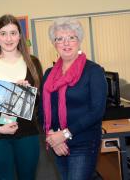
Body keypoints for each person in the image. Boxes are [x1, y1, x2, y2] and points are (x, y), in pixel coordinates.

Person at [0, 14, 43, 180]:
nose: (9, 38)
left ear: (20, 35)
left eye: (13, 33)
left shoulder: (33, 63)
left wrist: (26, 94)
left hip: (27, 133)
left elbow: (40, 101)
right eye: (3, 33)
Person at [39, 17, 107, 180]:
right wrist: (52, 137)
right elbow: (42, 109)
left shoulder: (93, 71)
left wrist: (65, 134)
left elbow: (97, 111)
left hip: (84, 142)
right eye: (60, 39)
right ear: (54, 44)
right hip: (57, 143)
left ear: (79, 40)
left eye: (71, 37)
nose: (66, 43)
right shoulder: (49, 74)